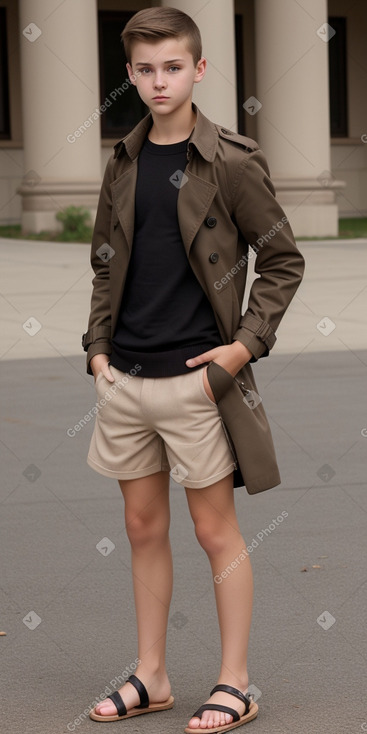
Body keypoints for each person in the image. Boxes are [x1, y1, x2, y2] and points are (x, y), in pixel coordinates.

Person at [82, 6, 305, 732]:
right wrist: (96, 349)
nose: (158, 80)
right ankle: (150, 676)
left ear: (198, 69)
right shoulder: (121, 158)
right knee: (142, 525)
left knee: (215, 532)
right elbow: (105, 262)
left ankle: (234, 683)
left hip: (196, 378)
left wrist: (242, 348)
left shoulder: (230, 160)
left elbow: (280, 259)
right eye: (144, 69)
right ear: (130, 74)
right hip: (126, 380)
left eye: (171, 66)